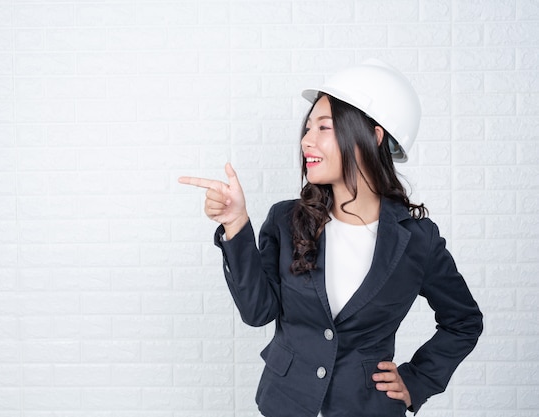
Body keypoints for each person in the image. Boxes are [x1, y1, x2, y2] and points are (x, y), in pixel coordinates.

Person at [178, 59, 483, 417]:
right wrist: (236, 223)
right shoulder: (286, 219)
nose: (307, 140)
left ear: (373, 135)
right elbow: (258, 311)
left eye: (324, 127)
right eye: (308, 128)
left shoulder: (418, 240)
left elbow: (463, 322)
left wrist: (416, 381)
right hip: (284, 404)